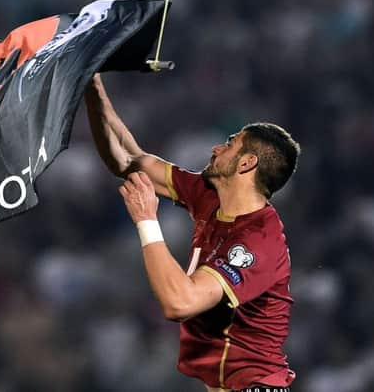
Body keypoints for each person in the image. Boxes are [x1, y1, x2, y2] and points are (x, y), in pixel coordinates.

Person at [85, 74, 301, 392]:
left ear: (246, 164)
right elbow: (127, 160)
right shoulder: (209, 194)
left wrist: (146, 220)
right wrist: (93, 88)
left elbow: (179, 302)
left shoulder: (258, 242)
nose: (216, 148)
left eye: (230, 144)